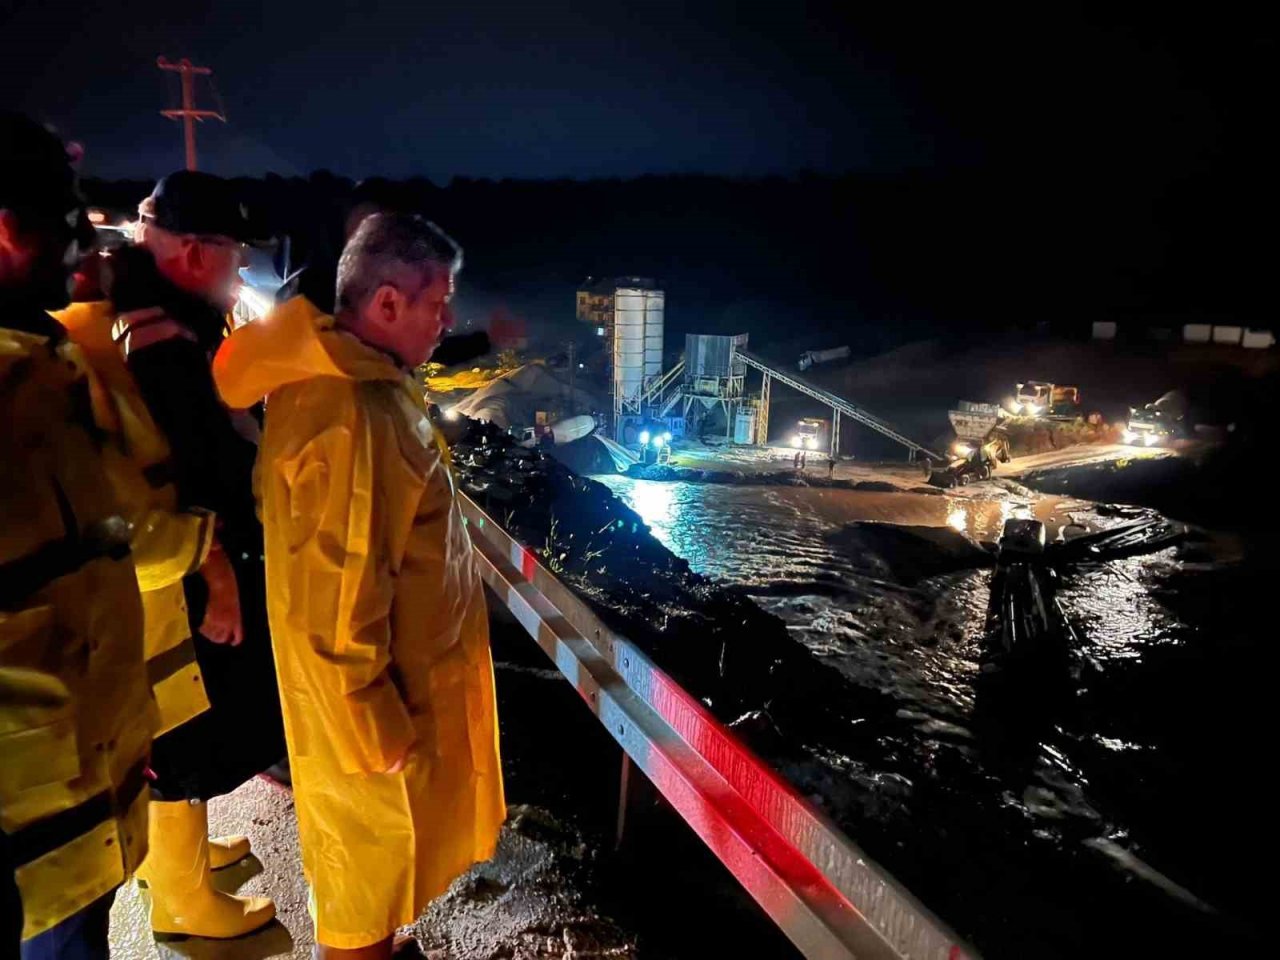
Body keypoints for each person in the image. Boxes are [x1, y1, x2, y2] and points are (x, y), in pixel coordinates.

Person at [213, 213, 505, 958]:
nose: (447, 321)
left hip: (393, 691)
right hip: (371, 711)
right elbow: (332, 588)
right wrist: (368, 722)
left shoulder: (365, 384)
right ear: (385, 305)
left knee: (379, 876)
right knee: (360, 891)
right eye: (438, 304)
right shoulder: (348, 411)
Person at [106, 171, 284, 938]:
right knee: (187, 729)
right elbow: (185, 473)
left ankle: (177, 862)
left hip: (184, 565)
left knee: (191, 723)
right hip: (184, 575)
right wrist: (217, 574)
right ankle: (182, 901)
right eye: (230, 255)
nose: (239, 273)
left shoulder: (154, 322)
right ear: (187, 251)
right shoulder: (160, 344)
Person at [1, 111, 155, 959]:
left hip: (73, 818)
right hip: (27, 843)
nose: (86, 249)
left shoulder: (47, 369)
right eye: (70, 225)